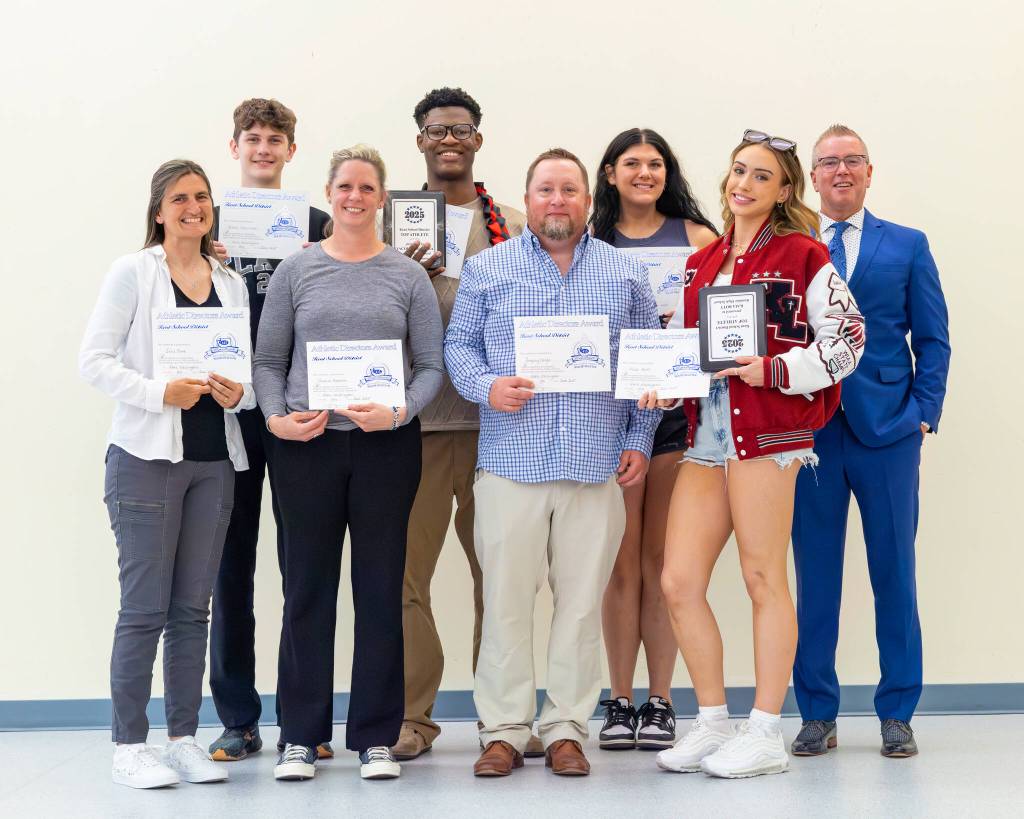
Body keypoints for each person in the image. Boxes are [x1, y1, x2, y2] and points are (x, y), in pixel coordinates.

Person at [643, 129, 866, 779]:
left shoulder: (802, 253)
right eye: (739, 171)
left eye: (761, 176)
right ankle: (714, 720)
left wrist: (774, 369)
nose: (743, 184)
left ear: (785, 189)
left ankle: (766, 729)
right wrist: (664, 383)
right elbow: (689, 348)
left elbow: (849, 339)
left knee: (763, 576)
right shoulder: (702, 262)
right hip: (707, 432)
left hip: (769, 433)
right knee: (678, 580)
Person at [445, 148, 662, 778]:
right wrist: (487, 386)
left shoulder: (623, 275)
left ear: (588, 200)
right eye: (545, 190)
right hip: (512, 463)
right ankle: (506, 731)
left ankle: (567, 727)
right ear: (528, 198)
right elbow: (458, 346)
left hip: (595, 467)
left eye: (569, 189)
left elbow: (643, 363)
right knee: (507, 601)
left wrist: (641, 438)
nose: (557, 201)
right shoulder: (488, 269)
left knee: (579, 606)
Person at [254, 145, 443, 782]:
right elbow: (267, 362)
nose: (355, 196)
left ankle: (375, 737)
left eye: (367, 186)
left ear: (382, 197)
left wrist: (399, 414)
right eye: (344, 187)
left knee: (380, 590)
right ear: (329, 194)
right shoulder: (296, 272)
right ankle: (300, 738)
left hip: (387, 447)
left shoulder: (407, 277)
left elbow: (432, 368)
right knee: (306, 590)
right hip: (305, 448)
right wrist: (277, 417)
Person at [79, 159, 255, 788]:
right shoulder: (132, 273)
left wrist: (239, 392)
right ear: (159, 211)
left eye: (202, 197)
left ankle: (183, 737)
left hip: (214, 464)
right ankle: (130, 743)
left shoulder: (230, 282)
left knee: (192, 611)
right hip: (146, 463)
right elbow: (93, 361)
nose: (193, 207)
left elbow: (248, 375)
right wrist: (160, 393)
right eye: (179, 198)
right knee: (144, 610)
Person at [789, 125, 950, 759]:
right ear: (813, 175)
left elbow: (933, 339)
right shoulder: (792, 246)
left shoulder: (907, 245)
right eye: (829, 162)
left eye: (852, 161)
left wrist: (923, 414)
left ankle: (897, 713)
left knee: (894, 574)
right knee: (816, 576)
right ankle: (817, 714)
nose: (840, 171)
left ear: (869, 172)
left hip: (888, 431)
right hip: (811, 433)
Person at [392, 86, 531, 762]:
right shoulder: (391, 224)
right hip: (413, 430)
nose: (449, 139)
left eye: (462, 129)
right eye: (436, 129)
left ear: (478, 139)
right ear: (420, 139)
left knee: (500, 579)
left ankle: (499, 720)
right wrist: (398, 274)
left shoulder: (511, 222)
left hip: (496, 432)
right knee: (405, 580)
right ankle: (414, 716)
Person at [206, 98, 333, 763]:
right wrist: (208, 260)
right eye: (251, 138)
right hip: (226, 409)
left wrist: (322, 260)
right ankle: (235, 716)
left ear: (291, 150)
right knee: (229, 567)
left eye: (274, 139)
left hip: (298, 408)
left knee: (302, 566)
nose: (262, 148)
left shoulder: (318, 225)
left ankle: (302, 720)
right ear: (234, 148)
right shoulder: (207, 223)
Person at [590, 127, 717, 751]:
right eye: (633, 163)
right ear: (610, 173)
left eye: (657, 163)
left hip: (675, 415)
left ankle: (661, 700)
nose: (646, 172)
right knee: (619, 564)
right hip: (609, 417)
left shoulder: (698, 239)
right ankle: (617, 698)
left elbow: (726, 329)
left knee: (662, 564)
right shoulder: (589, 244)